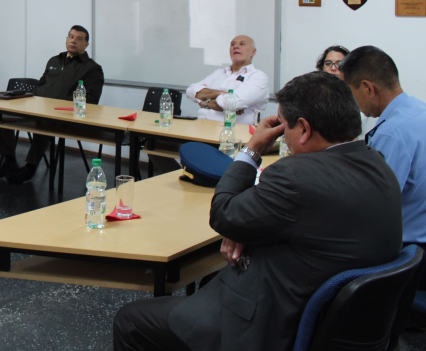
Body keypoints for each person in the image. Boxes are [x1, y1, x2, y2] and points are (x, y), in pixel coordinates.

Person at [114, 71, 402, 351]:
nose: (283, 136)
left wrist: (252, 149)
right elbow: (314, 223)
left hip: (272, 323)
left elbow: (223, 213)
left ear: (304, 130)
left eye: (285, 127)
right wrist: (248, 230)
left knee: (131, 320)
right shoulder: (378, 164)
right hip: (343, 323)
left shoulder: (295, 176)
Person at [339, 46, 426, 291]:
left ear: (368, 88)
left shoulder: (391, 133)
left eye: (349, 92)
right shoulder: (423, 111)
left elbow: (373, 208)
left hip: (414, 256)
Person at [0, 25, 104, 184]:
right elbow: (41, 84)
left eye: (79, 39)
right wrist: (39, 98)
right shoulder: (54, 60)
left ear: (86, 45)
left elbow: (91, 100)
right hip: (40, 108)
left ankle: (30, 167)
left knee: (45, 121)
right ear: (66, 39)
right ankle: (9, 160)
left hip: (65, 115)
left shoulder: (92, 68)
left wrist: (57, 100)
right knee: (2, 115)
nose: (73, 41)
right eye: (71, 37)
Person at [185, 35, 269, 124]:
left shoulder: (259, 77)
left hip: (232, 129)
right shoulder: (219, 73)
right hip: (200, 125)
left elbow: (233, 103)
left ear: (253, 52)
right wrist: (222, 93)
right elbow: (190, 91)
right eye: (233, 44)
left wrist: (206, 103)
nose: (236, 46)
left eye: (242, 44)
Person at [314, 44, 376, 136]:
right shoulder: (314, 96)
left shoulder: (358, 97)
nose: (333, 68)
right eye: (328, 63)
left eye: (339, 63)